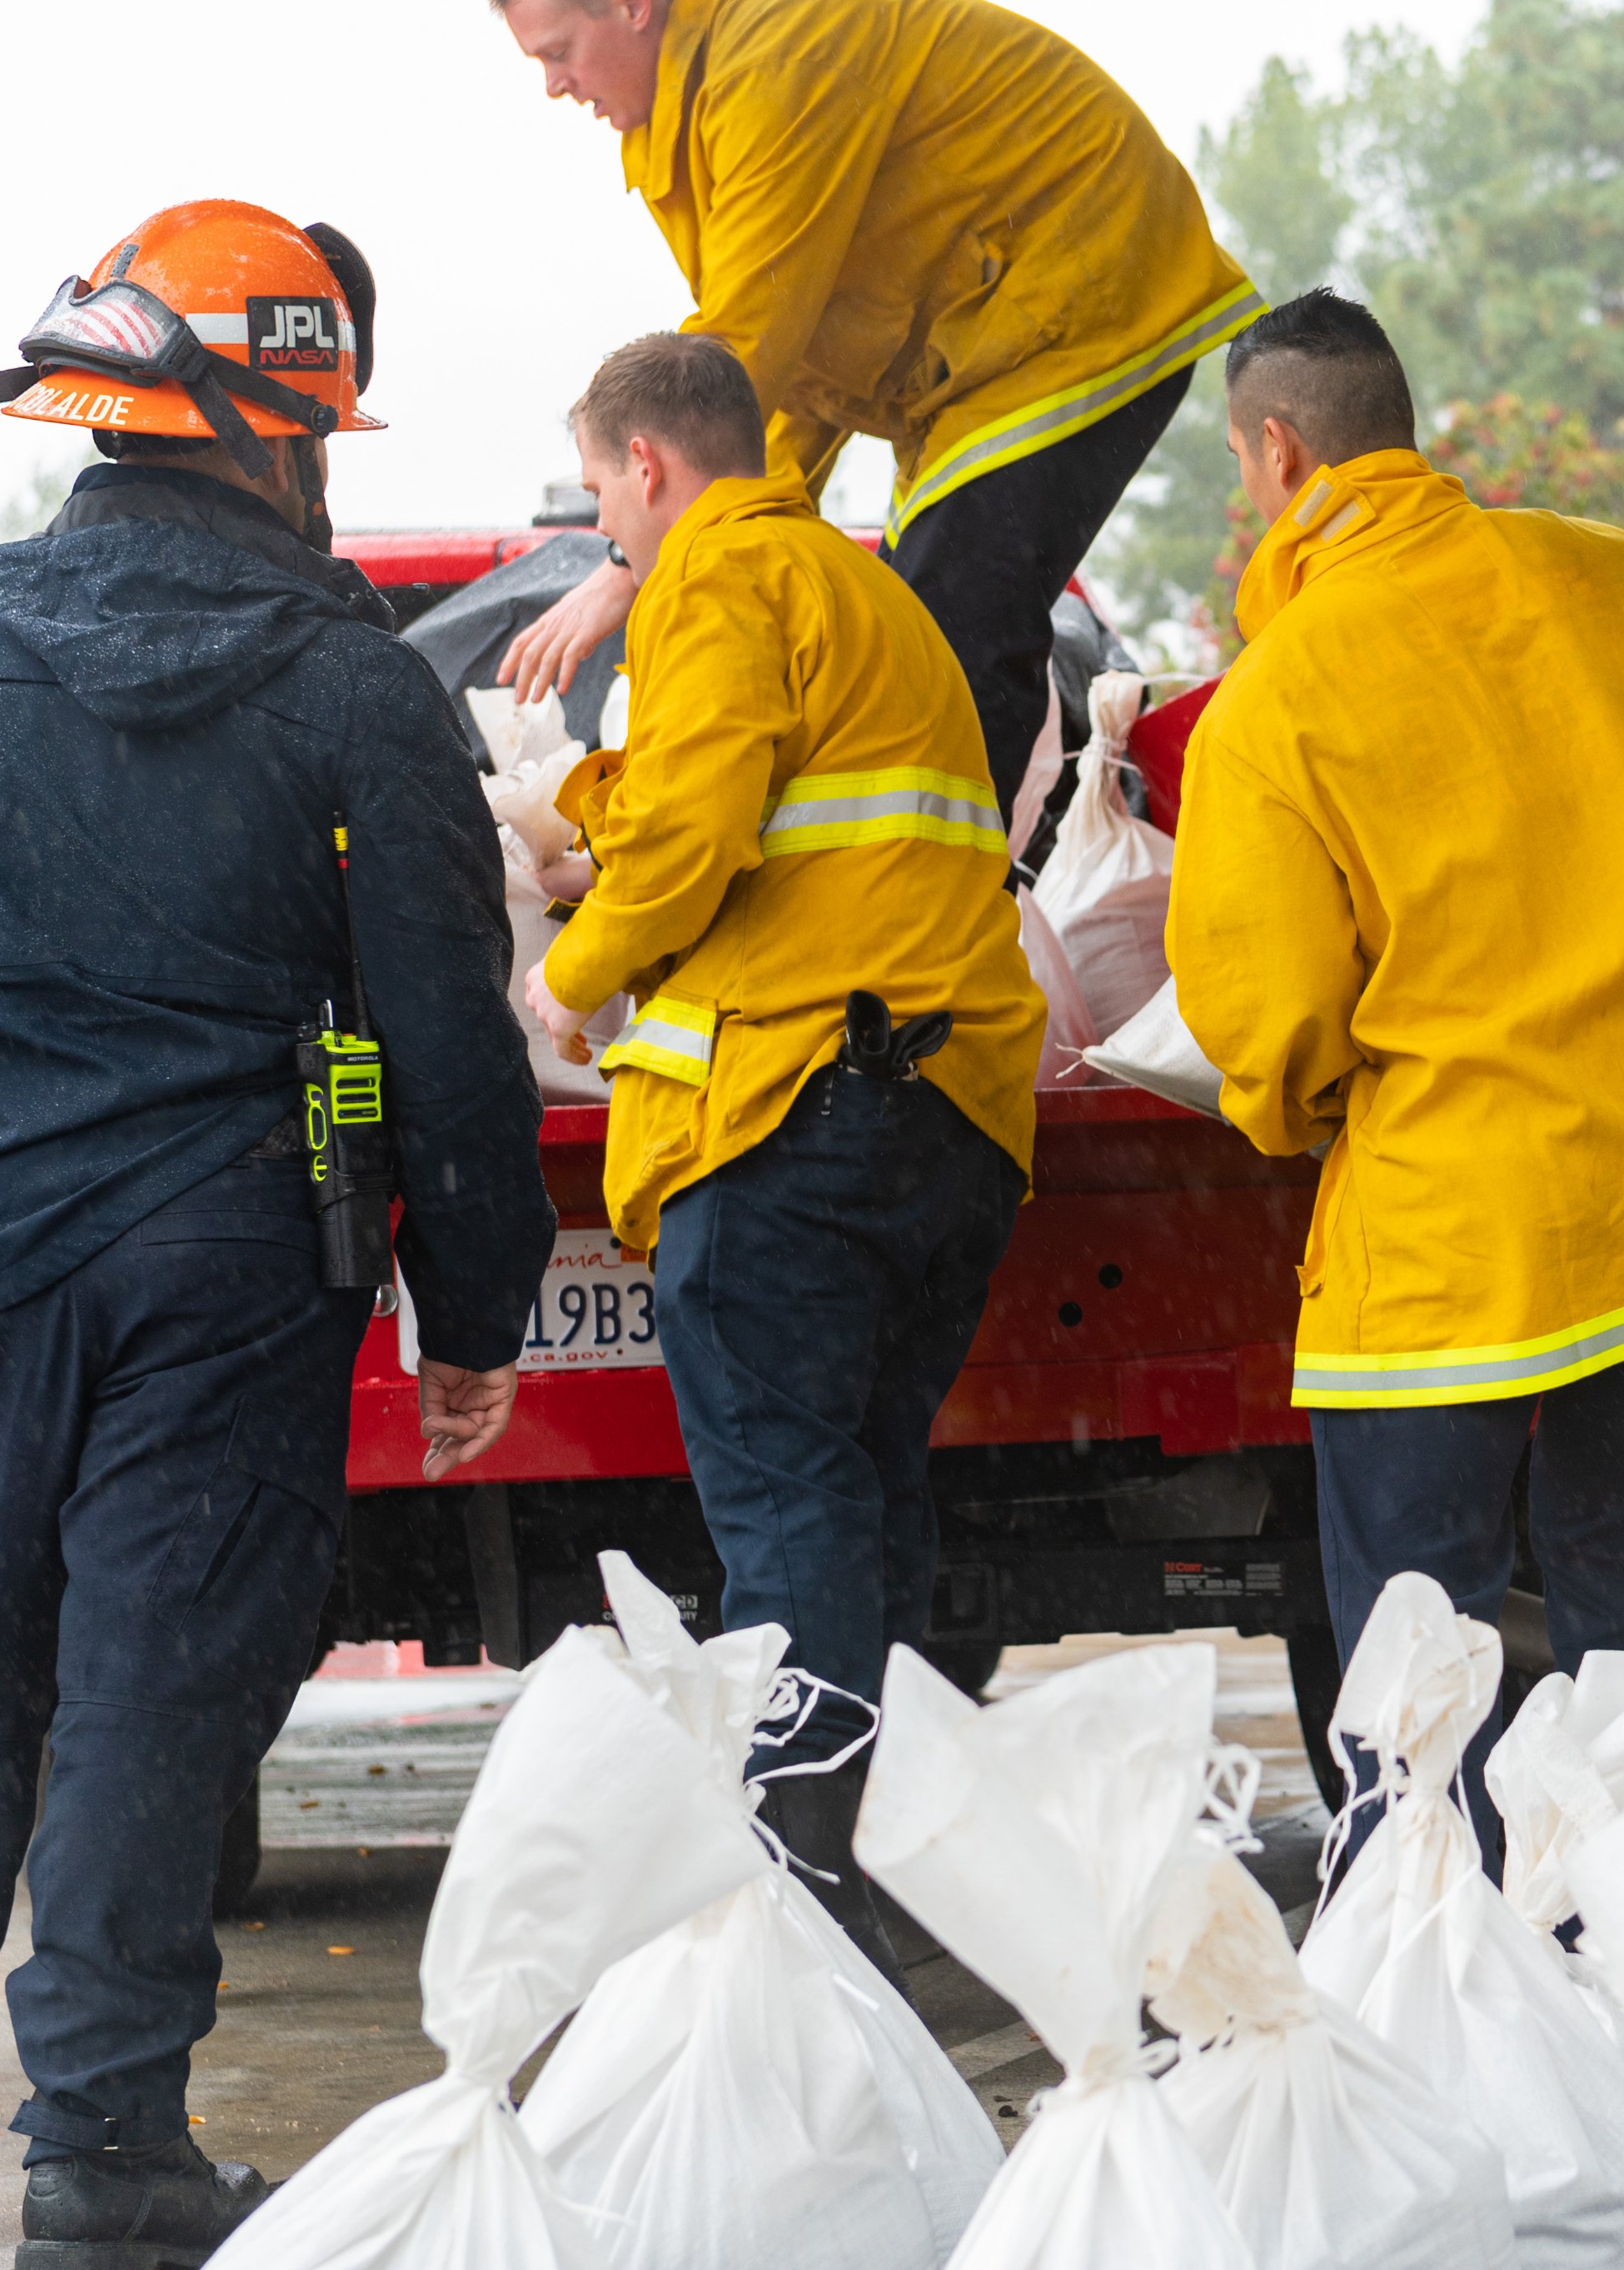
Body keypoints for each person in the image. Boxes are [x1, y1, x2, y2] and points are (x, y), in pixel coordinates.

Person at [0, 201, 553, 2261]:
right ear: (285, 433)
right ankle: (102, 2151)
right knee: (145, 1700)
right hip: (228, 1273)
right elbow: (437, 1048)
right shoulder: (352, 692)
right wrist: (467, 1300)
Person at [1163, 291, 1624, 1853]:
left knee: (1419, 1646)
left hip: (1454, 1225)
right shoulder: (1614, 577)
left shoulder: (1272, 701)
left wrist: (1305, 1109)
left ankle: (1437, 1949)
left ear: (1275, 453)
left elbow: (1270, 1023)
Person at [521, 332, 1046, 1978]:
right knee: (870, 1497)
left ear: (650, 466)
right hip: (942, 1116)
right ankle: (877, 1863)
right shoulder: (859, 589)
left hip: (796, 1117)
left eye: (601, 487)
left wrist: (561, 975)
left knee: (794, 1512)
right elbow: (781, 802)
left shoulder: (713, 580)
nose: (604, 527)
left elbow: (694, 834)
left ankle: (802, 1898)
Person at [491, 0, 1258, 834]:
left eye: (560, 51)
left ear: (634, 8)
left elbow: (743, 354)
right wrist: (716, 540)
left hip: (1075, 300)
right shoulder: (700, 98)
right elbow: (784, 373)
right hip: (975, 352)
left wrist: (632, 562)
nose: (554, 87)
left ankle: (936, 928)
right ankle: (922, 917)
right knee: (898, 644)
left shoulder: (777, 58)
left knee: (942, 640)